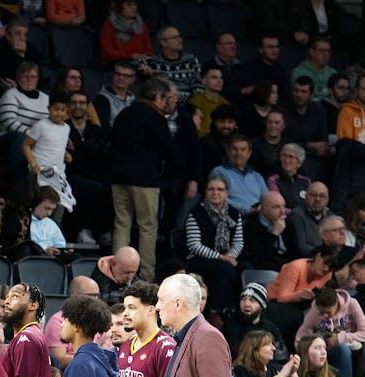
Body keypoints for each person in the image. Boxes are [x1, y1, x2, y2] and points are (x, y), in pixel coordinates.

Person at [110, 79, 171, 282]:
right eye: (165, 99)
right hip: (145, 180)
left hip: (118, 177)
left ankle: (116, 272)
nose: (165, 104)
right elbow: (167, 149)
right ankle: (145, 275)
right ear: (156, 97)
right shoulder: (157, 118)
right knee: (147, 226)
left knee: (122, 224)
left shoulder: (123, 114)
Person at [184, 173, 244, 312]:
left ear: (227, 193)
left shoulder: (234, 214)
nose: (215, 192)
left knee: (244, 268)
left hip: (227, 258)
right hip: (200, 259)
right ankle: (216, 311)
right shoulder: (196, 213)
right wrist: (222, 257)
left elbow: (239, 242)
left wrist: (231, 256)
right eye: (211, 189)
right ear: (205, 192)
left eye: (220, 189)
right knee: (224, 269)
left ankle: (238, 311)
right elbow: (194, 245)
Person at [295, 286, 365, 377]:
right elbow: (300, 336)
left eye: (328, 312)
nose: (324, 315)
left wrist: (339, 338)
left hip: (352, 344)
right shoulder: (314, 311)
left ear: (336, 303)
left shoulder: (352, 304)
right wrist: (302, 351)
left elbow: (363, 332)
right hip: (327, 348)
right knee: (342, 350)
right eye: (321, 312)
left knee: (345, 349)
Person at [144, 26, 201, 99]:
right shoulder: (152, 62)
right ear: (163, 42)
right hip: (165, 103)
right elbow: (135, 66)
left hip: (190, 103)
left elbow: (198, 85)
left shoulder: (191, 60)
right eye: (175, 37)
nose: (180, 40)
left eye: (179, 36)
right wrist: (142, 69)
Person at [241, 191, 291, 272]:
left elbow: (295, 250)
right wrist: (274, 234)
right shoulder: (251, 225)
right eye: (276, 207)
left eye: (284, 206)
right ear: (263, 208)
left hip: (286, 264)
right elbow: (258, 256)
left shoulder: (288, 222)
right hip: (266, 267)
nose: (282, 211)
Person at [99, 0, 151, 68]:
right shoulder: (109, 24)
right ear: (120, 7)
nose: (134, 8)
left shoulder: (141, 25)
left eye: (135, 5)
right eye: (129, 5)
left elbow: (148, 50)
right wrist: (130, 56)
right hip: (115, 64)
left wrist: (142, 57)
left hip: (138, 64)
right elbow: (107, 52)